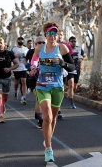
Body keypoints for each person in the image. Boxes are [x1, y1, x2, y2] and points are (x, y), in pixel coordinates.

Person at [30, 22, 75, 163]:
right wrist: (33, 68)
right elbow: (34, 61)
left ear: (57, 35)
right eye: (49, 33)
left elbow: (72, 66)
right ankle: (48, 148)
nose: (52, 36)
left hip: (57, 87)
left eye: (54, 33)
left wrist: (62, 63)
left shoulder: (62, 48)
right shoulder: (39, 48)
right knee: (47, 116)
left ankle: (47, 139)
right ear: (45, 35)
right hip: (42, 86)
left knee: (54, 118)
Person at [24, 36, 45, 129]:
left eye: (43, 42)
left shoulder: (49, 51)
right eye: (39, 43)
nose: (41, 44)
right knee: (38, 99)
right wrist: (29, 68)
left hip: (45, 78)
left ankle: (39, 114)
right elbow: (25, 61)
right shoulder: (32, 52)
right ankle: (40, 120)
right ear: (35, 44)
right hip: (34, 78)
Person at [57, 30, 73, 119]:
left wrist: (63, 64)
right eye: (58, 34)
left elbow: (70, 60)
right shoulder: (48, 46)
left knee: (60, 90)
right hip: (48, 73)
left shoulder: (66, 46)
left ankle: (58, 109)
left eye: (61, 35)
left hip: (62, 72)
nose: (60, 36)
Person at [68, 36, 87, 109]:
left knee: (74, 87)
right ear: (69, 42)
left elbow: (85, 56)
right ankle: (72, 102)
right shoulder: (66, 49)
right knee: (71, 85)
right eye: (72, 41)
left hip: (77, 69)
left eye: (75, 41)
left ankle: (70, 94)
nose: (73, 42)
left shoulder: (79, 49)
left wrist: (81, 58)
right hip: (69, 69)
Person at [11, 37, 29, 104]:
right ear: (17, 41)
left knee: (24, 81)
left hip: (24, 68)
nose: (20, 41)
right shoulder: (14, 49)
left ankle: (24, 97)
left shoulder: (26, 49)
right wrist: (16, 55)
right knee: (16, 83)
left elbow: (28, 57)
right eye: (19, 40)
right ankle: (16, 91)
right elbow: (11, 56)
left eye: (22, 40)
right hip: (17, 68)